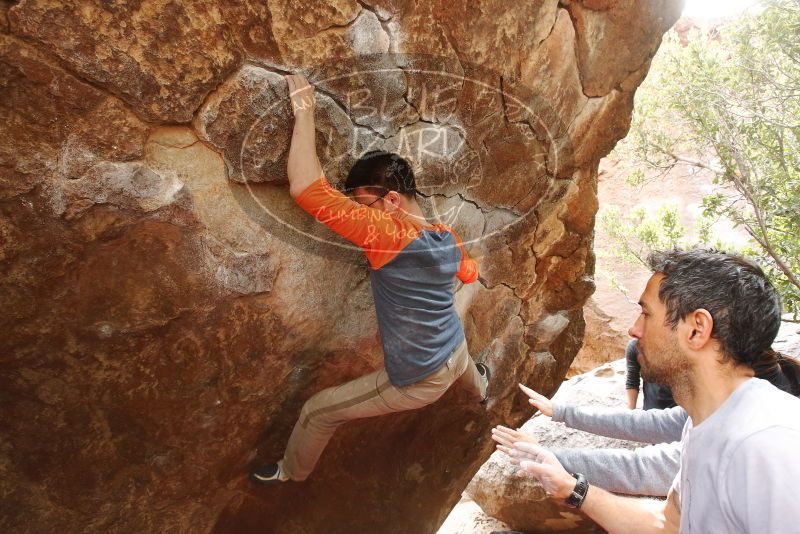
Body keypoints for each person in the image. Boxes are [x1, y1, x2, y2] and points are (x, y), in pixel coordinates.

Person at [250, 74, 490, 485]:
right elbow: (471, 273)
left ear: (391, 201)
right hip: (455, 348)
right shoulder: (445, 237)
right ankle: (482, 388)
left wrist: (305, 110)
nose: (360, 215)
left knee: (318, 411)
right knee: (462, 352)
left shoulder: (388, 233)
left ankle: (290, 473)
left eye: (364, 205)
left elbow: (307, 187)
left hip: (421, 378)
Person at [498, 248, 800, 533]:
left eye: (646, 313)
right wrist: (572, 488)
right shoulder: (706, 424)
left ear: (696, 330)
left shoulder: (768, 444)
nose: (634, 329)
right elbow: (668, 524)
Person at [494, 347, 800, 497]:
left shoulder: (742, 433)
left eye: (647, 314)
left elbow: (641, 468)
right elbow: (649, 423)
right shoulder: (734, 400)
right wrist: (561, 412)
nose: (636, 328)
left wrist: (545, 455)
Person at [625, 338, 676, 410]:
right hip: (649, 413)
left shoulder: (681, 344)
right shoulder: (635, 346)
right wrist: (630, 413)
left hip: (679, 415)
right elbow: (632, 381)